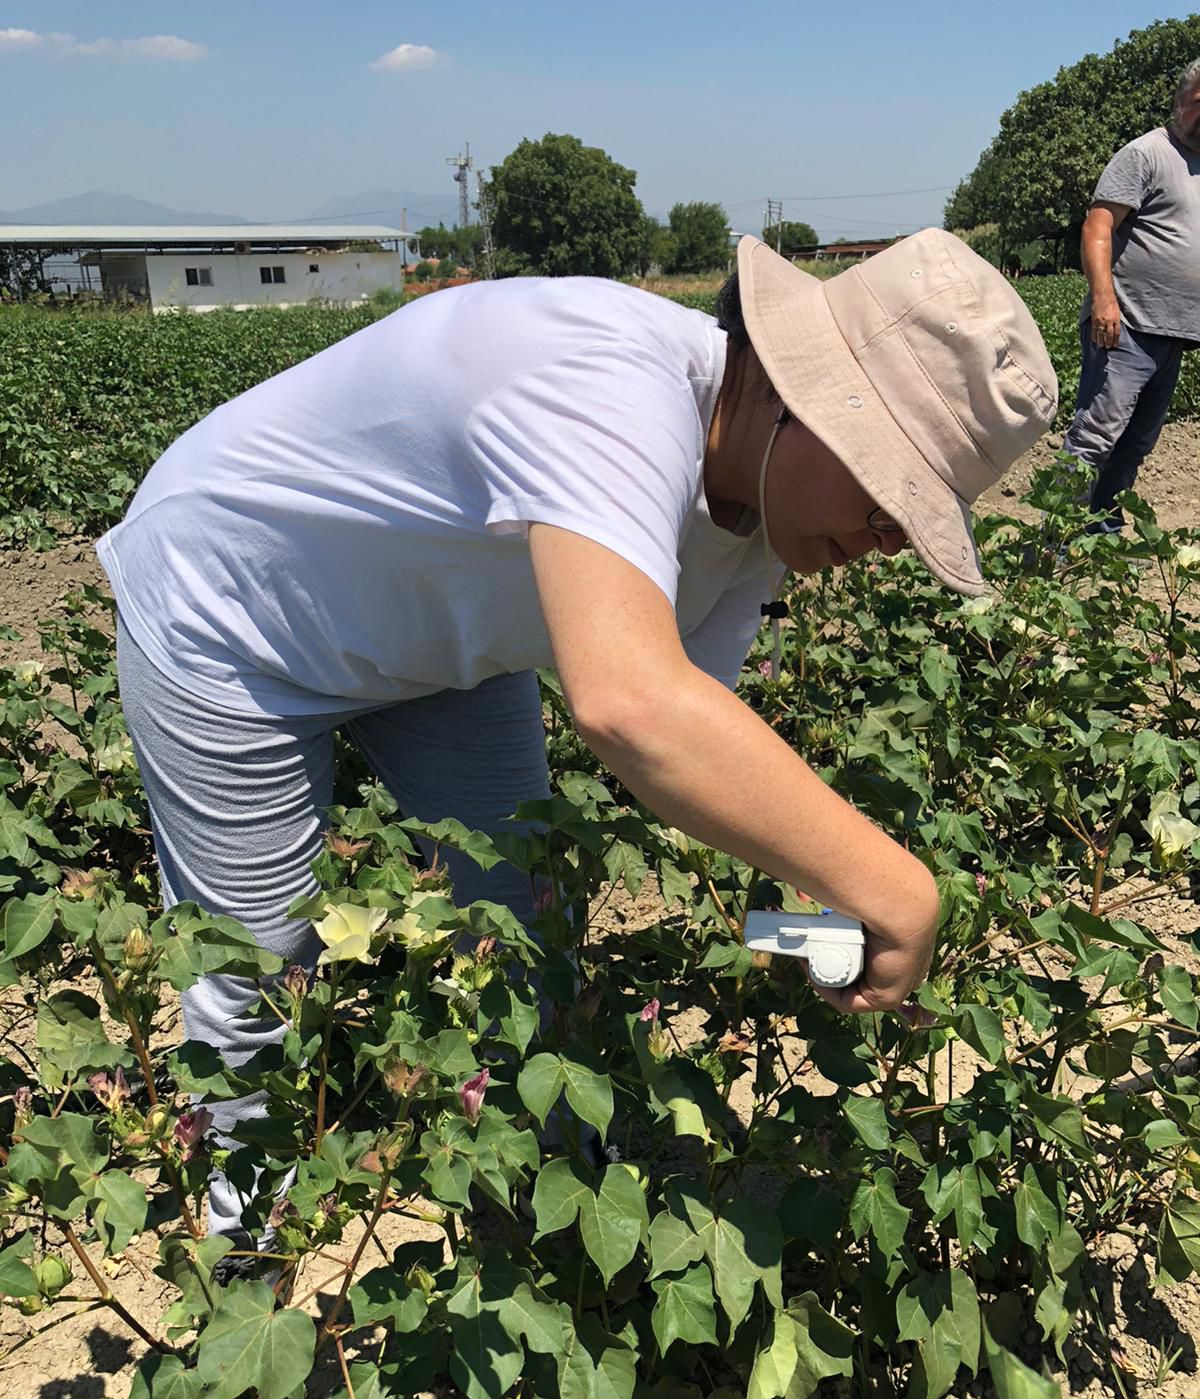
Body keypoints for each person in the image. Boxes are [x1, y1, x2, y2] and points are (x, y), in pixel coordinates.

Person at [97, 229, 1056, 1260]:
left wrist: (798, 924)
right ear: (799, 394)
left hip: (441, 645)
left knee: (519, 922)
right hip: (236, 620)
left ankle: (548, 1222)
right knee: (254, 974)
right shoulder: (609, 380)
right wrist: (893, 885)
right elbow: (630, 705)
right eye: (886, 488)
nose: (891, 536)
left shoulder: (759, 513)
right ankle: (246, 1278)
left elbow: (688, 760)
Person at [1061, 59, 1200, 530]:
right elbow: (1098, 226)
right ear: (1180, 103)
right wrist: (1103, 299)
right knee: (1096, 436)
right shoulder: (1145, 154)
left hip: (1174, 333)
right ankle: (1052, 540)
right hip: (1126, 326)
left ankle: (1101, 531)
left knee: (1136, 442)